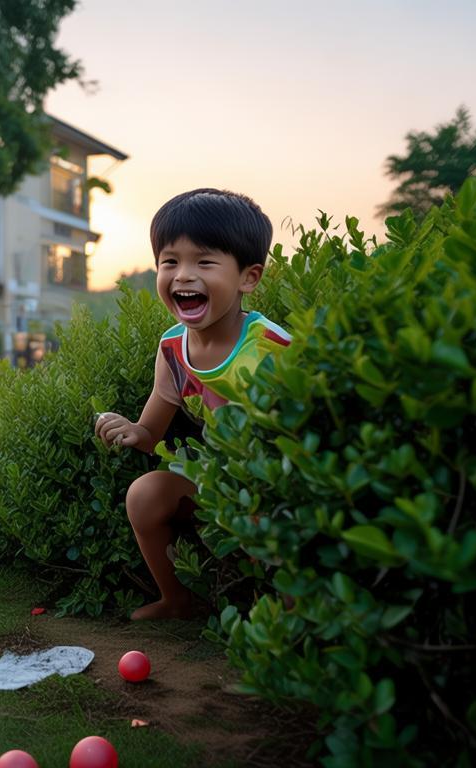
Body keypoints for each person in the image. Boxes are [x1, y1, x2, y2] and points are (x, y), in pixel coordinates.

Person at [94, 189, 292, 620]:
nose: (183, 275)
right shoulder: (172, 349)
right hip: (213, 479)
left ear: (248, 277)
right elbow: (151, 436)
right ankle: (178, 598)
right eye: (170, 261)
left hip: (275, 487)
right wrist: (131, 430)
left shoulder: (272, 350)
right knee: (145, 495)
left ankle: (292, 621)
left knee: (268, 529)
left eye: (204, 262)